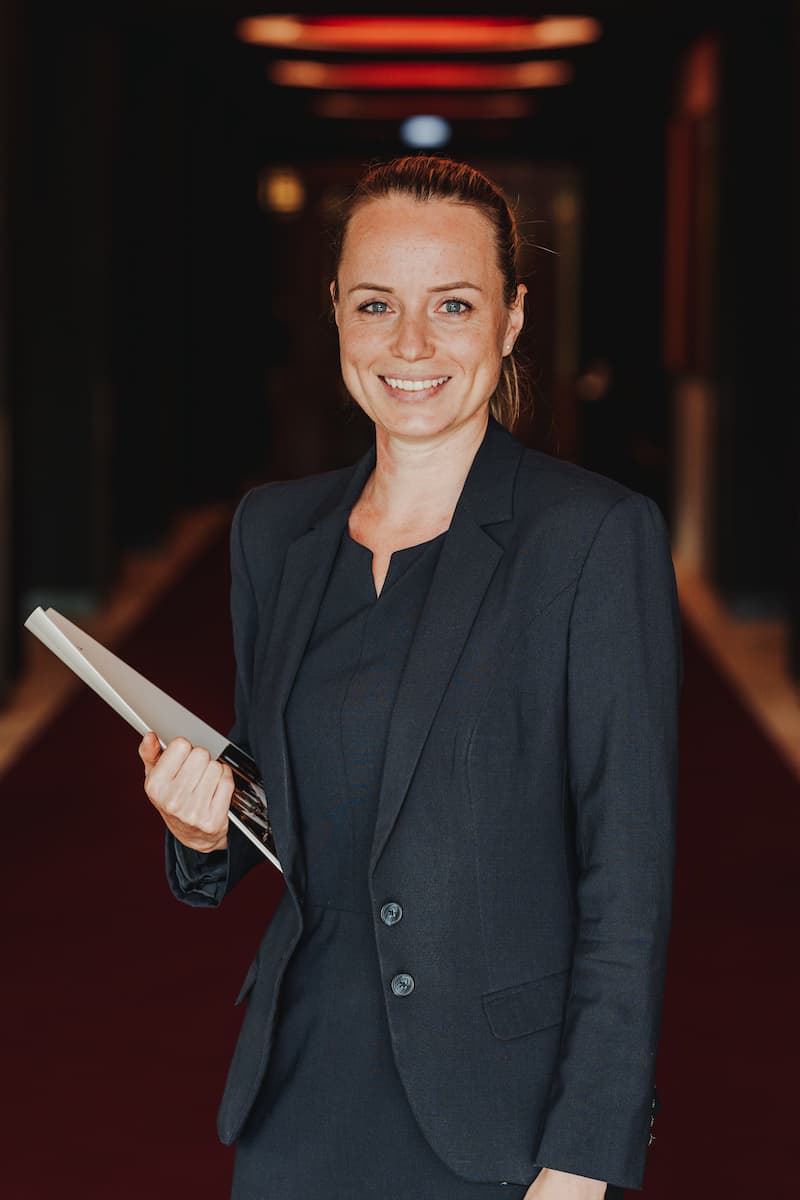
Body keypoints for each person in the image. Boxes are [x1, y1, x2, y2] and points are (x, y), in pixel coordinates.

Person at [139, 155, 681, 1199]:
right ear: (336, 310)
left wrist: (583, 1155)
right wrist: (201, 830)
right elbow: (286, 795)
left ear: (512, 319)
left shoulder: (590, 538)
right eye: (377, 303)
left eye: (454, 304)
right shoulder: (274, 533)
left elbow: (627, 875)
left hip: (503, 1120)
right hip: (299, 1090)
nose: (412, 344)